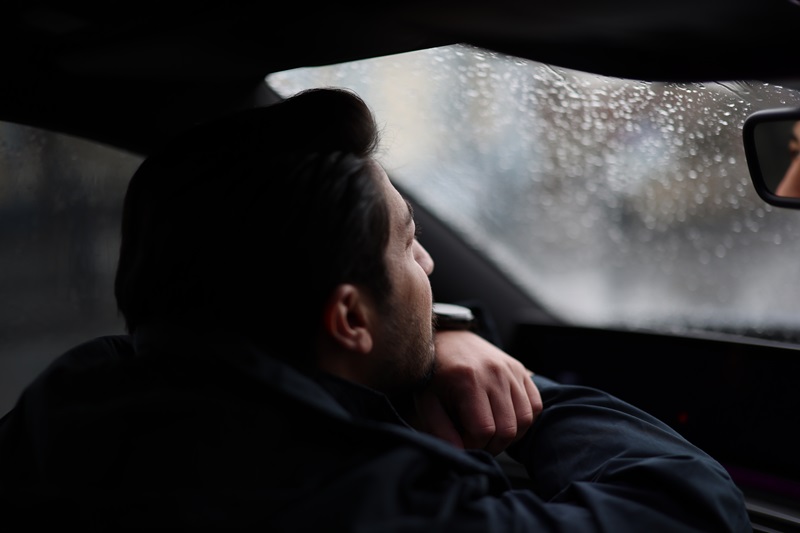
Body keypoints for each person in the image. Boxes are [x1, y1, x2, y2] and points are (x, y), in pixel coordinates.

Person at [0, 87, 750, 531]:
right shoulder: (380, 499)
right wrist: (531, 392)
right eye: (412, 243)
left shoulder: (70, 401)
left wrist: (438, 339)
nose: (429, 268)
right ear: (350, 319)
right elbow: (689, 505)